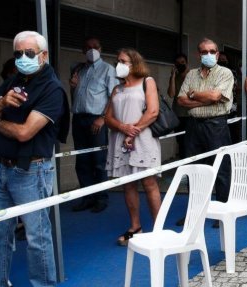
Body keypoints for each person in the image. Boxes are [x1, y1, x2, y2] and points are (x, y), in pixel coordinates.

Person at [0, 30, 69, 287]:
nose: (23, 57)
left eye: (29, 53)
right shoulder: (12, 83)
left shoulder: (52, 89)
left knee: (37, 237)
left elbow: (25, 132)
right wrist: (2, 102)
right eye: (18, 53)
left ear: (43, 55)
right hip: (1, 169)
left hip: (32, 171)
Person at [104, 48, 162, 246]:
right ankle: (135, 227)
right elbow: (108, 117)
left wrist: (133, 131)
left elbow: (153, 111)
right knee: (127, 184)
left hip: (143, 140)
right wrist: (123, 128)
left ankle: (158, 228)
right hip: (121, 140)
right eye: (117, 60)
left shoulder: (148, 82)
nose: (119, 64)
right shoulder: (117, 89)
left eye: (123, 61)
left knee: (149, 183)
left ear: (134, 63)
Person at [177, 38, 234, 228]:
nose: (209, 55)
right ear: (198, 54)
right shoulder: (191, 74)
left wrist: (193, 95)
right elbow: (181, 100)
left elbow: (216, 96)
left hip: (216, 125)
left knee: (221, 170)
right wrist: (204, 100)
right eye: (204, 51)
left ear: (217, 54)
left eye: (212, 51)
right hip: (194, 126)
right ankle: (194, 214)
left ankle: (221, 214)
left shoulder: (224, 73)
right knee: (194, 171)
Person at [69, 37, 118, 213]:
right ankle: (87, 198)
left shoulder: (108, 70)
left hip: (96, 119)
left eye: (95, 47)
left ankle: (101, 198)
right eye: (88, 47)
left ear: (101, 49)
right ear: (83, 50)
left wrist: (103, 117)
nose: (91, 50)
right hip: (79, 119)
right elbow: (75, 96)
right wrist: (73, 87)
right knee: (81, 161)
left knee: (98, 160)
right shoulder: (80, 70)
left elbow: (114, 95)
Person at [167, 53, 190, 159]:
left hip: (189, 114)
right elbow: (171, 94)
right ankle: (183, 163)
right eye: (177, 63)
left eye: (182, 63)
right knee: (180, 141)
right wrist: (172, 76)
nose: (180, 65)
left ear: (186, 63)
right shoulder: (175, 77)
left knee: (188, 142)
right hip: (177, 114)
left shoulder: (192, 76)